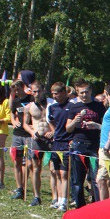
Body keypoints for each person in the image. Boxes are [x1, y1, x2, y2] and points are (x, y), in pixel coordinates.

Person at [65, 80, 105, 208]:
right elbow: (68, 128)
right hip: (78, 144)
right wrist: (75, 121)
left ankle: (97, 206)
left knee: (96, 178)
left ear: (91, 91)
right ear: (77, 92)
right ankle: (79, 206)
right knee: (77, 179)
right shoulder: (73, 107)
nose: (84, 95)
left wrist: (96, 126)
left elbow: (106, 125)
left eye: (86, 92)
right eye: (81, 92)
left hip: (94, 144)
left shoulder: (99, 106)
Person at [24, 82, 53, 207]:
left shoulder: (51, 104)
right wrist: (31, 132)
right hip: (36, 140)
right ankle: (37, 196)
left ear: (43, 91)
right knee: (35, 169)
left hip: (50, 139)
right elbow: (25, 123)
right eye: (34, 92)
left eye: (38, 91)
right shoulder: (29, 107)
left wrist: (53, 132)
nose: (36, 94)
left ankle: (55, 198)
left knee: (54, 170)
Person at [47, 82, 73, 210]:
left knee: (64, 173)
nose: (54, 96)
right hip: (56, 143)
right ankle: (57, 199)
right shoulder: (53, 107)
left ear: (63, 93)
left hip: (66, 143)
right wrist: (54, 131)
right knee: (56, 172)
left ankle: (64, 201)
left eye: (56, 94)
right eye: (52, 94)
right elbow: (51, 120)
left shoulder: (72, 106)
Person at [9, 80, 34, 200]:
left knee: (28, 163)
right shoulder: (15, 101)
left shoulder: (31, 99)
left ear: (23, 87)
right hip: (17, 134)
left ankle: (25, 185)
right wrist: (13, 121)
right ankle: (19, 188)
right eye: (14, 90)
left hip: (29, 135)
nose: (16, 91)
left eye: (17, 89)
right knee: (17, 161)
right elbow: (12, 114)